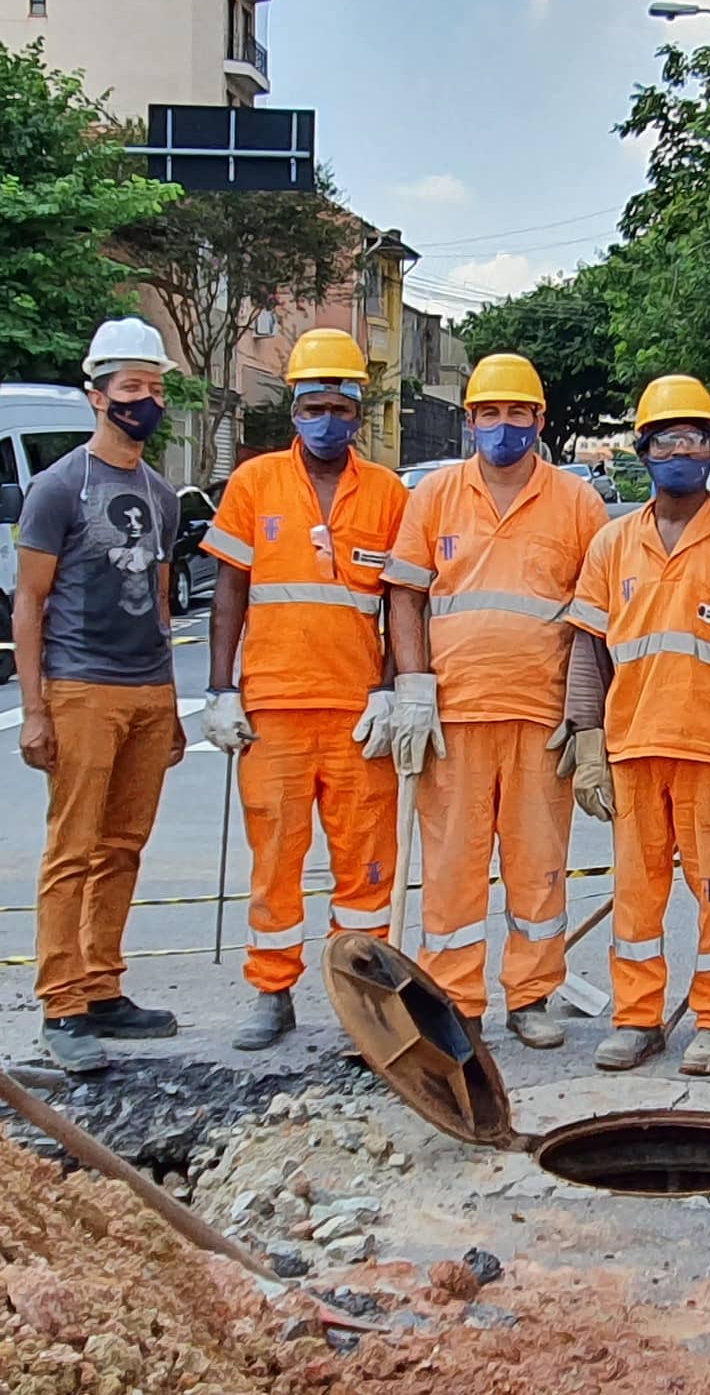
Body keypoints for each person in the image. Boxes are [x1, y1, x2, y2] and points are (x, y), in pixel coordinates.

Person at [383, 353, 608, 1047]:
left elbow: (595, 619)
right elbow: (406, 595)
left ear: (539, 421)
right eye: (490, 414)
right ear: (471, 420)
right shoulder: (437, 496)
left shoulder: (577, 503)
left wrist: (585, 717)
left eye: (517, 413)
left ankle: (531, 996)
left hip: (541, 720)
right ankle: (455, 999)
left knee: (537, 867)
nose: (503, 426)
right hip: (454, 715)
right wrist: (413, 687)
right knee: (451, 869)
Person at [200, 329, 408, 1049]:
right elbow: (229, 591)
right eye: (312, 405)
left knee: (366, 871)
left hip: (356, 713)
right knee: (276, 863)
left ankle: (366, 1001)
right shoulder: (255, 482)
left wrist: (392, 689)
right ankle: (272, 988)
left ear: (357, 410)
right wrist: (220, 689)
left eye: (338, 407)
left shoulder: (387, 493)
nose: (326, 419)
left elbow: (402, 605)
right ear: (294, 408)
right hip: (274, 709)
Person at [565, 375, 710, 1076]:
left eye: (691, 438)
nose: (678, 450)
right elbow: (588, 648)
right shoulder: (612, 544)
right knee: (636, 893)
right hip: (631, 748)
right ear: (643, 451)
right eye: (664, 439)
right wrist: (586, 738)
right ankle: (637, 1017)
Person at [14, 317, 186, 1073]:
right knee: (72, 851)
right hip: (81, 686)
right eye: (130, 389)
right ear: (98, 396)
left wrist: (171, 702)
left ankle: (104, 985)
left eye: (153, 388)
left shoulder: (158, 492)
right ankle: (61, 1003)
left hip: (146, 688)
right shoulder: (59, 488)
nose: (144, 401)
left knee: (123, 847)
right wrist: (36, 707)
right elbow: (29, 602)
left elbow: (157, 601)